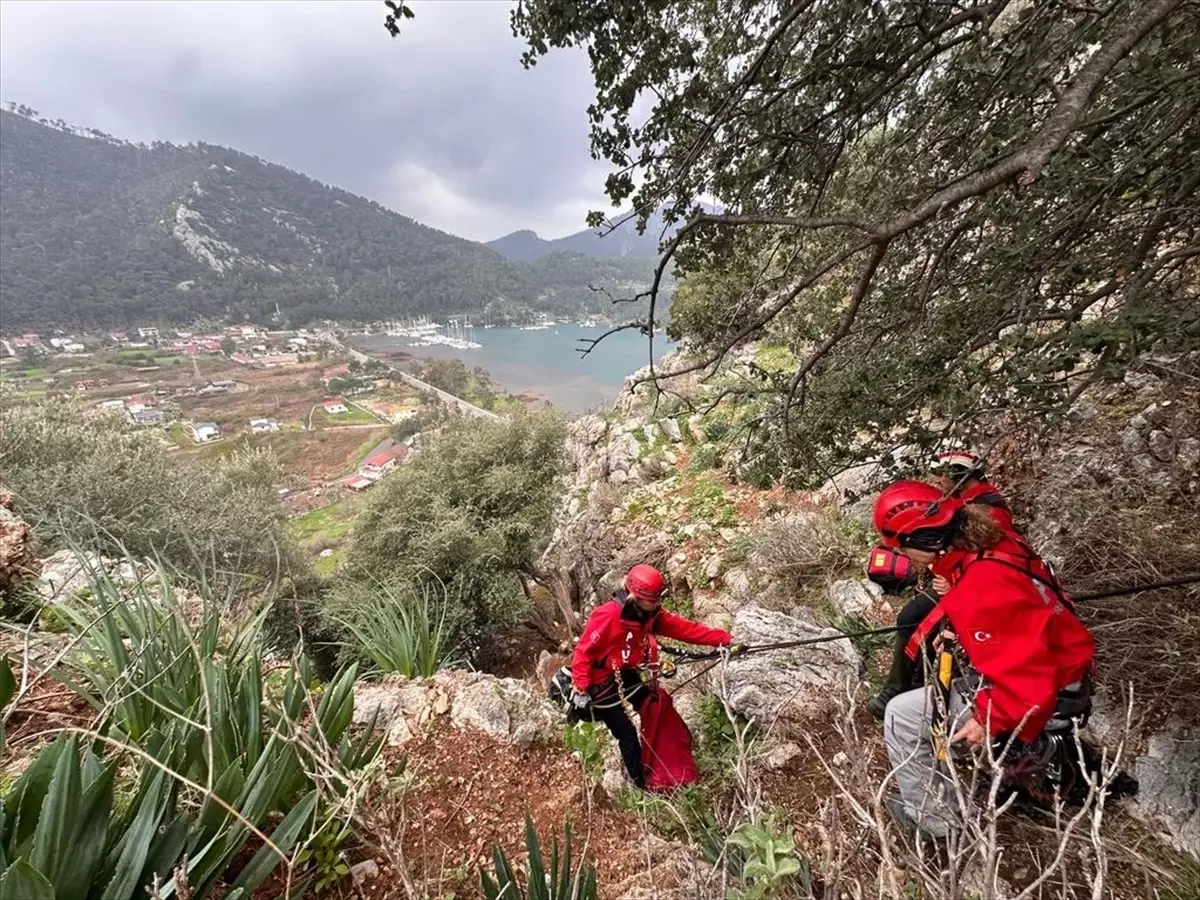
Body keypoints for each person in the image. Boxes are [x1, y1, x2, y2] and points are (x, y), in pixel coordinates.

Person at [872, 480, 1095, 837]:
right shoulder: (994, 540)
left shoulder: (982, 585)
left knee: (902, 716)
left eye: (903, 547)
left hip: (1043, 696)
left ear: (926, 540)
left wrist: (988, 716)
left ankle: (936, 821)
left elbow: (1027, 675)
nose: (903, 556)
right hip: (1067, 678)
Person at [864, 450, 1018, 719]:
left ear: (958, 476)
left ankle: (898, 690)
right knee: (918, 621)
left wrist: (955, 588)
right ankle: (913, 684)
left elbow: (988, 559)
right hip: (955, 579)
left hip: (963, 585)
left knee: (910, 617)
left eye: (940, 479)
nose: (936, 485)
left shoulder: (987, 507)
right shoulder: (965, 502)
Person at [570, 564, 733, 789]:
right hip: (599, 682)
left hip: (623, 671)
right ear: (635, 597)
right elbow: (583, 652)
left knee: (653, 704)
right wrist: (581, 687)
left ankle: (666, 757)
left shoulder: (650, 615)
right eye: (652, 600)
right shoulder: (607, 616)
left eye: (658, 599)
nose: (657, 605)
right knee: (626, 733)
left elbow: (685, 629)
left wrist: (724, 639)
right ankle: (642, 783)